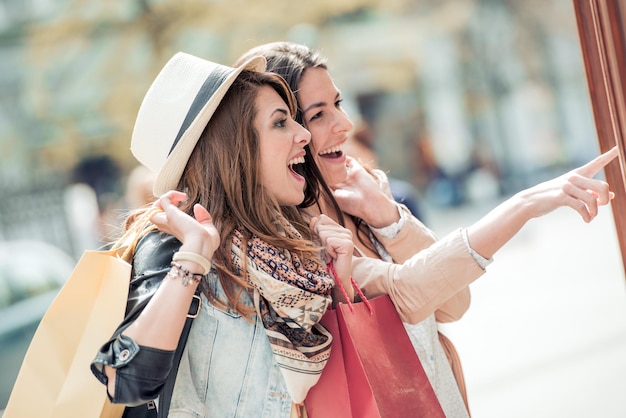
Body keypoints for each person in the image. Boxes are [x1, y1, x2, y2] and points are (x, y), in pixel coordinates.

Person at [235, 41, 619, 417]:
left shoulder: (365, 195)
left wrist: (389, 218)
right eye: (318, 114)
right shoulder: (288, 240)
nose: (345, 124)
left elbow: (454, 303)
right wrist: (523, 205)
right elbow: (408, 291)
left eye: (338, 104)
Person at [90, 52, 356, 418]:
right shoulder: (176, 243)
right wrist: (195, 254)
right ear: (234, 149)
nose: (303, 133)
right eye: (280, 123)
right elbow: (127, 381)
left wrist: (339, 283)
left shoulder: (291, 254)